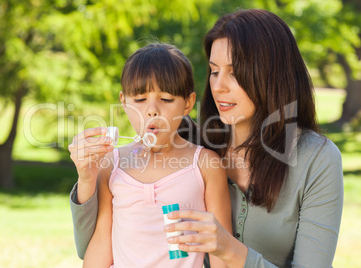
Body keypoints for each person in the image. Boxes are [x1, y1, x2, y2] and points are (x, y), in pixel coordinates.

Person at [70, 9, 343, 268]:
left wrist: (229, 248)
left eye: (234, 73)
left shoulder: (316, 159)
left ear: (272, 76)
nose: (218, 86)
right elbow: (100, 245)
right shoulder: (194, 144)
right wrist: (87, 181)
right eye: (214, 71)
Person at [69, 43, 231, 267]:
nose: (152, 110)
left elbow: (220, 252)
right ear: (123, 101)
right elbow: (102, 242)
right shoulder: (111, 164)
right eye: (139, 99)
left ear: (188, 103)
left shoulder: (205, 165)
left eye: (166, 99)